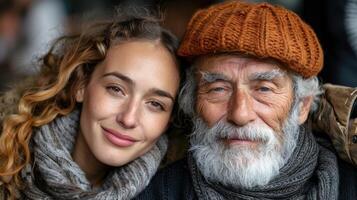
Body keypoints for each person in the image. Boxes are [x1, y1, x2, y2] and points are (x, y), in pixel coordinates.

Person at [136, 1, 357, 200]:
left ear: (302, 106)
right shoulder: (156, 192)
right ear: (192, 103)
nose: (240, 115)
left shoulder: (351, 185)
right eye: (218, 89)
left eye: (264, 89)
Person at [0, 6, 181, 199]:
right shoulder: (6, 157)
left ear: (169, 120)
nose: (128, 119)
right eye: (116, 89)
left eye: (155, 104)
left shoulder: (172, 191)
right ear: (81, 85)